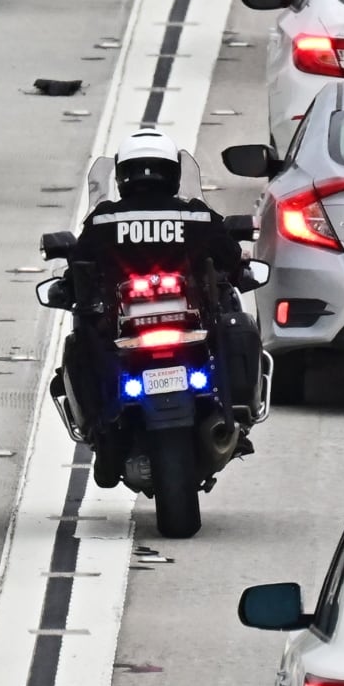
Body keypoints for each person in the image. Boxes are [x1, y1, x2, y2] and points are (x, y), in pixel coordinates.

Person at [54, 129, 263, 484]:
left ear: (122, 175)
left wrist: (68, 289)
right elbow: (230, 259)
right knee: (231, 323)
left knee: (86, 342)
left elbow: (78, 271)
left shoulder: (103, 220)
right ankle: (229, 419)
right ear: (173, 172)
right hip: (187, 332)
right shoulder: (196, 216)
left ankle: (103, 432)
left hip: (126, 336)